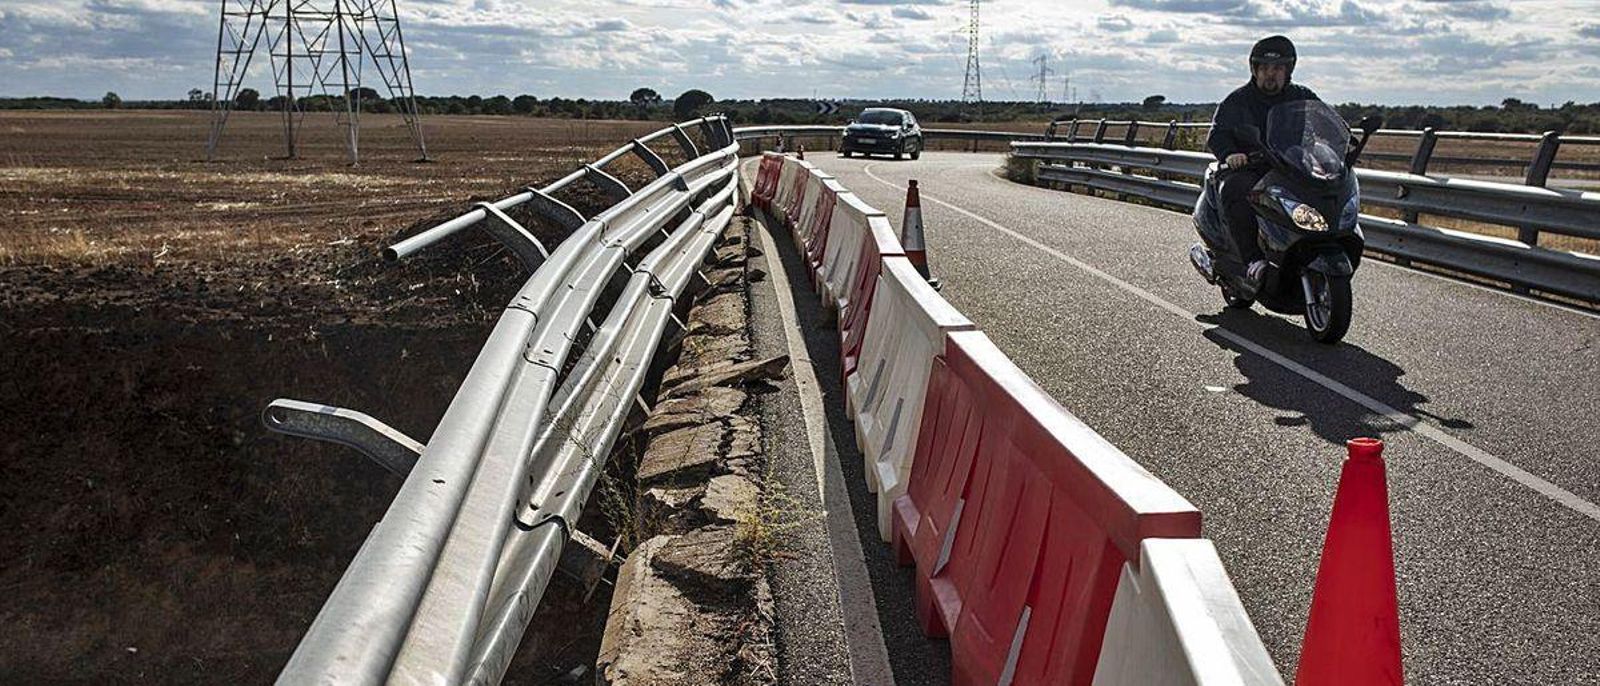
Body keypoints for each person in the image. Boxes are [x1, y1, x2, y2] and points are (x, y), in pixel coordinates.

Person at [1205, 35, 1320, 293]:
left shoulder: (1302, 96)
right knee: (1237, 189)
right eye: (1265, 68)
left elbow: (1323, 121)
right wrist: (1230, 153)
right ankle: (1253, 259)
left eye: (1278, 68)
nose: (1271, 74)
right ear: (1255, 70)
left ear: (1288, 71)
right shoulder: (1237, 100)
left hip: (1289, 168)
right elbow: (1217, 135)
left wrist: (1330, 148)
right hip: (1248, 169)